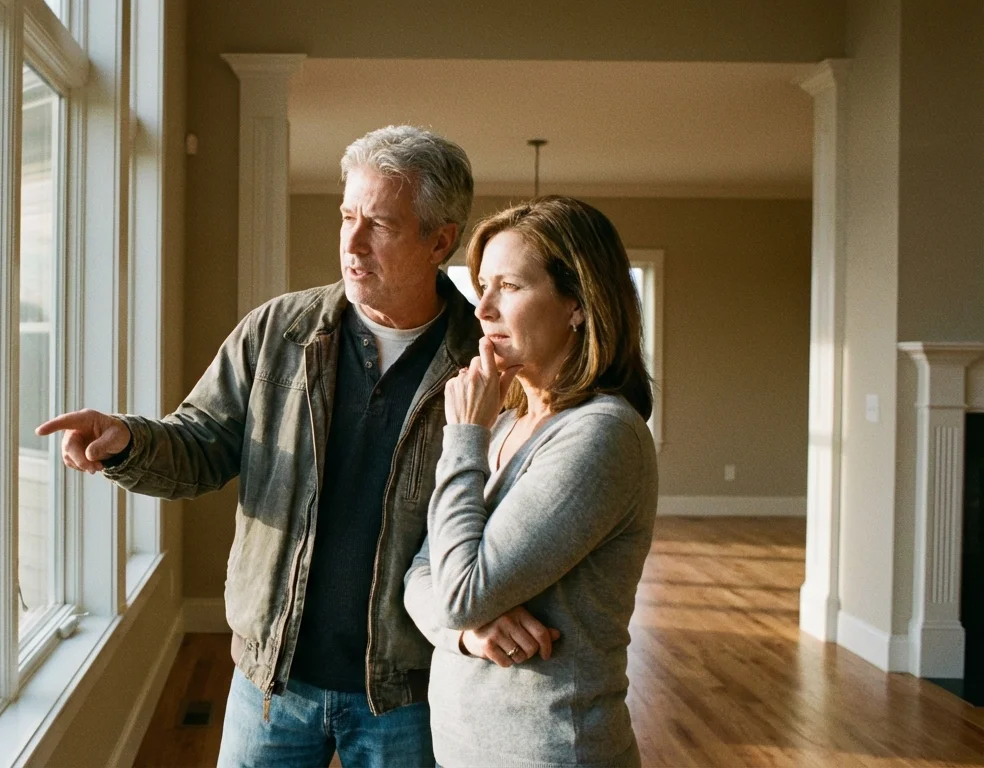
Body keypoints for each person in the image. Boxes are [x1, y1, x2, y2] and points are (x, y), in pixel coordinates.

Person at [36, 125, 555, 767]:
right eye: (347, 216)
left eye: (381, 225)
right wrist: (127, 443)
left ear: (439, 240)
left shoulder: (487, 365)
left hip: (408, 691)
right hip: (271, 683)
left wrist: (488, 605)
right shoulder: (277, 331)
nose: (352, 243)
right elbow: (201, 444)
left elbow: (512, 510)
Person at [403, 196, 658, 767]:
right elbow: (421, 573)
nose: (482, 308)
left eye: (509, 287)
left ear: (577, 303)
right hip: (466, 746)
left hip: (549, 752)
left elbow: (459, 591)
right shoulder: (506, 425)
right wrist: (466, 635)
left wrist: (462, 433)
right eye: (481, 285)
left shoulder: (601, 435)